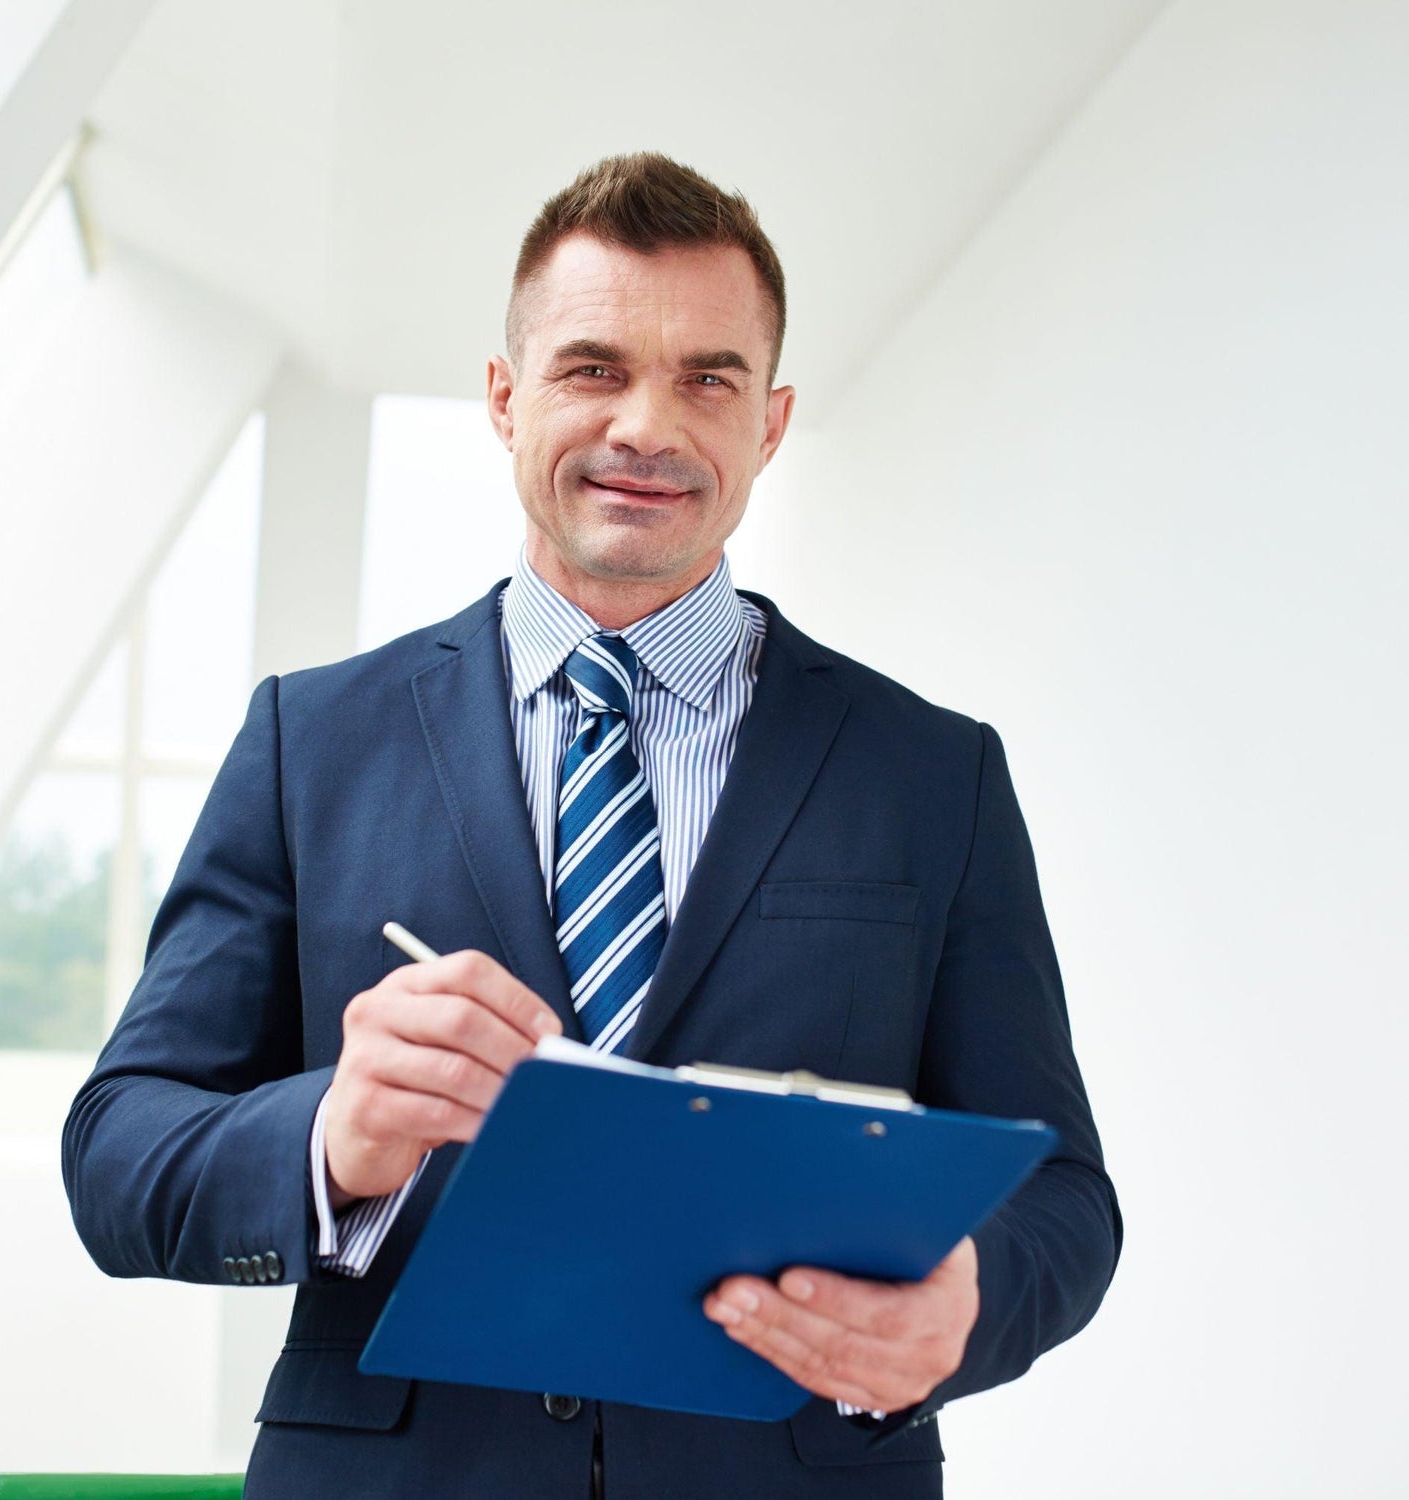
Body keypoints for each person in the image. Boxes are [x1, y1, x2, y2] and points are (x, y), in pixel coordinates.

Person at [63, 152, 1120, 1499]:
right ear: (505, 399)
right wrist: (333, 1135)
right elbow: (116, 1155)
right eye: (594, 368)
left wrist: (963, 1308)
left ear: (773, 422)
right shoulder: (311, 743)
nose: (648, 427)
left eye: (709, 378)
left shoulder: (931, 772)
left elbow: (1068, 1198)